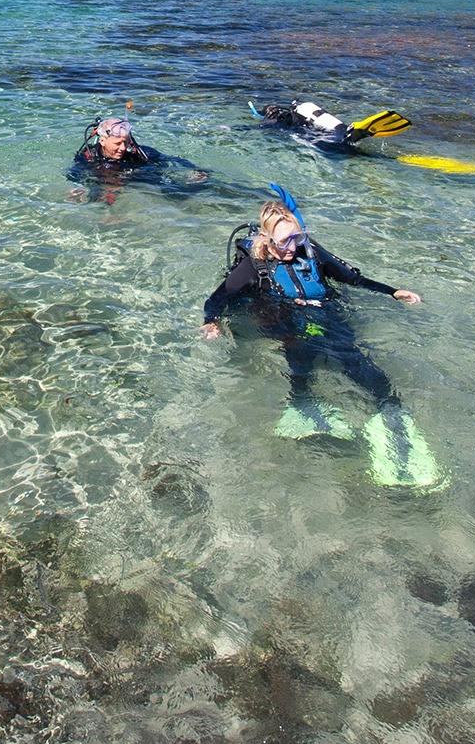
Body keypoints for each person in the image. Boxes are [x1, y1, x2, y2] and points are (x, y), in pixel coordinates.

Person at [199, 185, 439, 487]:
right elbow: (219, 297)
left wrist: (391, 291)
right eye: (285, 240)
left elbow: (350, 277)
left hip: (326, 316)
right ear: (268, 239)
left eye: (297, 237)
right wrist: (211, 321)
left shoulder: (308, 251)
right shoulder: (252, 268)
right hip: (288, 324)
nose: (292, 246)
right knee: (301, 359)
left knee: (359, 364)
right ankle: (302, 404)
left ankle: (391, 416)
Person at [67, 115, 209, 204]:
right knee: (93, 199)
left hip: (140, 174)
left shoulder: (136, 152)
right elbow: (74, 173)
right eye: (117, 143)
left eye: (125, 142)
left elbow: (172, 159)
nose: (123, 148)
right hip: (103, 177)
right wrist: (77, 187)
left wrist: (195, 170)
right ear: (103, 141)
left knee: (175, 195)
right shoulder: (88, 156)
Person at [251, 100, 410, 154]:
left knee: (336, 148)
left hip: (319, 137)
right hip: (333, 128)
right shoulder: (300, 111)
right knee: (346, 143)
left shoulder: (278, 117)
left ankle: (353, 137)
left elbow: (266, 128)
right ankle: (354, 133)